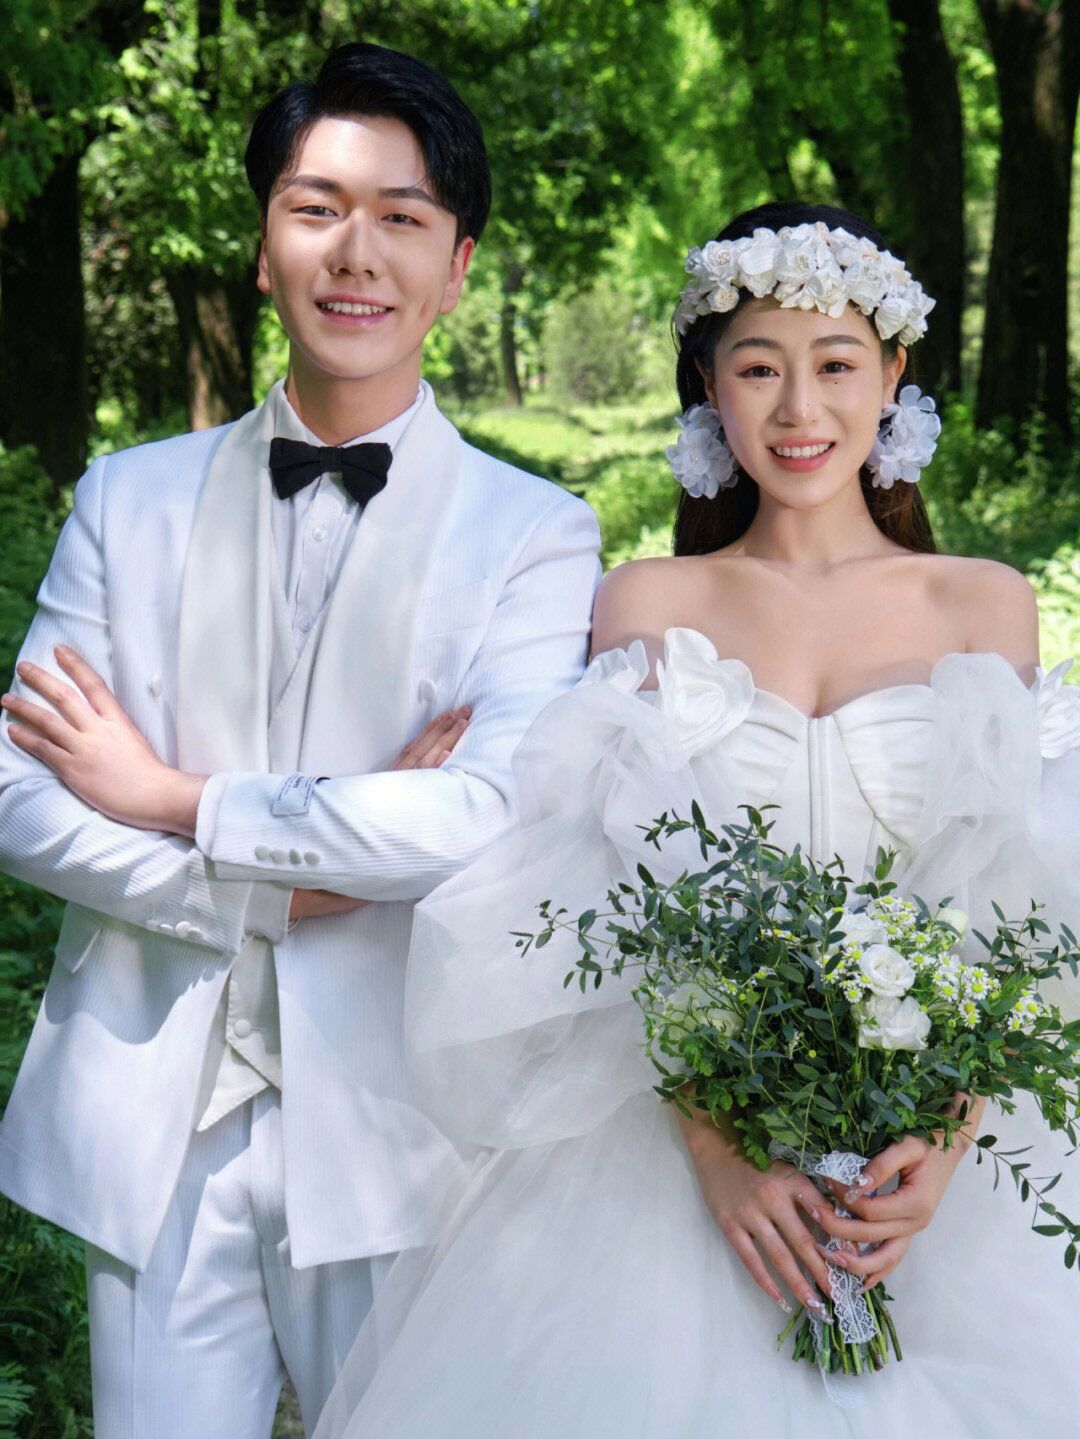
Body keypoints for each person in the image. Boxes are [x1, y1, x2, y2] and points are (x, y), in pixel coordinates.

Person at [312, 202, 1080, 1437]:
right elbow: (611, 893)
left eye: (836, 365)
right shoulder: (646, 600)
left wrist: (942, 1141)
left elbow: (1005, 893)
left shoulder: (982, 602)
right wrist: (720, 1152)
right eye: (758, 369)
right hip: (682, 1150)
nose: (799, 409)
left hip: (937, 1161)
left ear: (894, 376)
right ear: (710, 390)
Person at [0, 41, 600, 1439]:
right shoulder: (126, 499)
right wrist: (290, 883)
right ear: (264, 245)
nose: (356, 251)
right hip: (155, 1120)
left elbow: (483, 818)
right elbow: (22, 794)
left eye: (403, 215)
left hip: (407, 1117)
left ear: (457, 266)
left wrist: (169, 794)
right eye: (315, 206)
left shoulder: (537, 532)